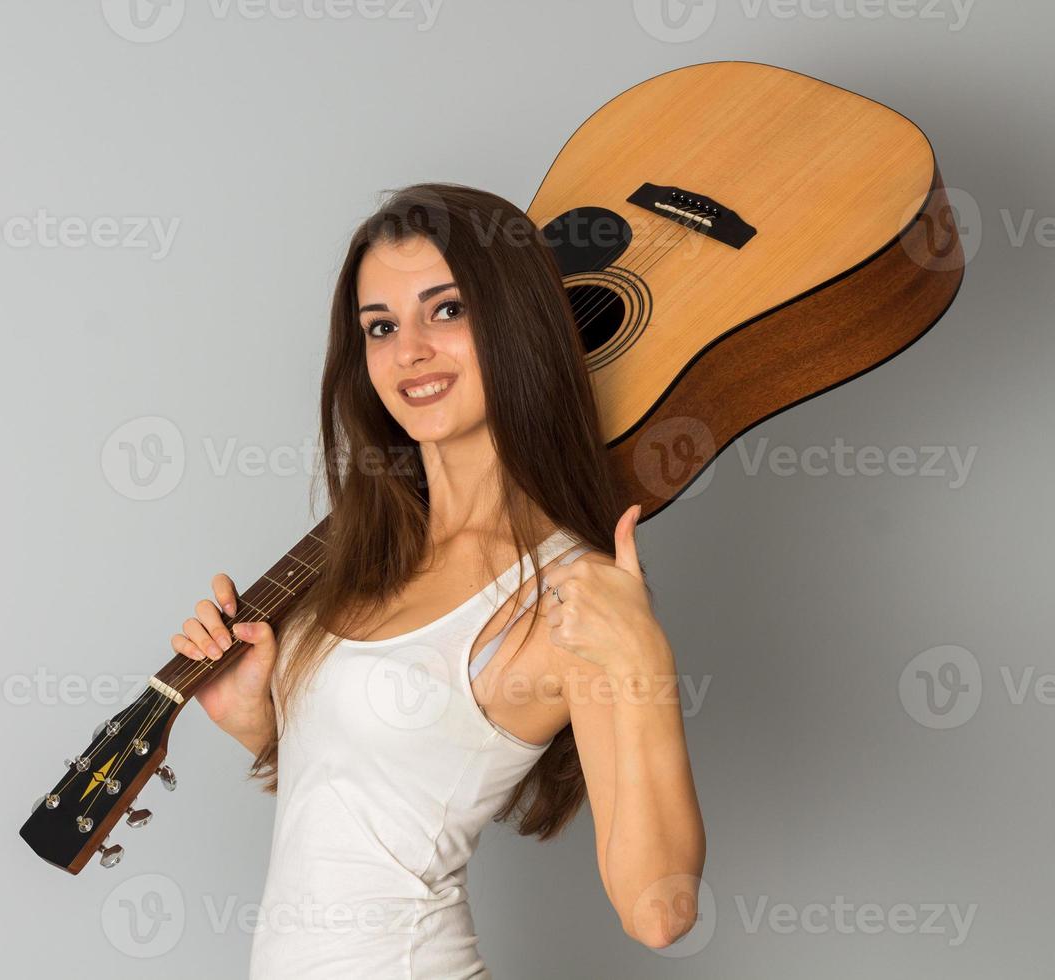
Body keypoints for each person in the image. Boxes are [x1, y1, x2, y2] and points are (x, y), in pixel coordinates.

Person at [170, 183, 705, 977]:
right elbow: (380, 800)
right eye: (380, 326)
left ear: (518, 325)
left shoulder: (567, 595)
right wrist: (260, 719)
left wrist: (645, 669)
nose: (408, 350)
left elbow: (658, 911)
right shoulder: (357, 555)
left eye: (446, 311)